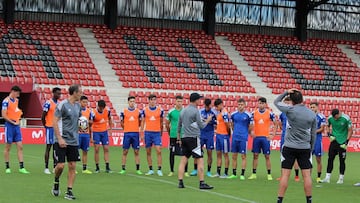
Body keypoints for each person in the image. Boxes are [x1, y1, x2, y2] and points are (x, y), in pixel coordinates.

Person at [274, 89, 317, 203]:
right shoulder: (312, 114)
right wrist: (310, 149)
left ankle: (280, 200)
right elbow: (313, 134)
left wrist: (286, 92)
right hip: (304, 147)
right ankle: (309, 200)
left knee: (285, 174)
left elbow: (276, 102)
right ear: (302, 99)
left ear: (292, 101)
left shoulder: (290, 110)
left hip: (289, 146)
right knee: (307, 176)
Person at [51, 84, 82, 200]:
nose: (81, 94)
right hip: (61, 140)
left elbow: (78, 121)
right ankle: (56, 180)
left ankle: (69, 191)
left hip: (73, 140)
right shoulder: (62, 105)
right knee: (60, 166)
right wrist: (59, 138)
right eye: (80, 92)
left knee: (72, 165)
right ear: (74, 92)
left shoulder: (78, 106)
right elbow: (54, 121)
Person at [177, 93, 213, 189]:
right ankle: (202, 182)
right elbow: (201, 126)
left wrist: (178, 138)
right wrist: (208, 120)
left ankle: (180, 181)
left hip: (184, 137)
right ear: (196, 100)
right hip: (194, 138)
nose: (200, 101)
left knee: (184, 159)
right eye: (199, 99)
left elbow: (179, 125)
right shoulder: (196, 111)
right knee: (200, 159)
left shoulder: (183, 111)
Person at [2, 85, 30, 174]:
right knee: (8, 147)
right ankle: (7, 167)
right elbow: (4, 115)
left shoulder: (16, 101)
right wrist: (12, 122)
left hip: (16, 126)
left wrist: (18, 118)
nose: (18, 95)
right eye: (17, 93)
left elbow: (15, 111)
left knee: (20, 146)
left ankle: (21, 167)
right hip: (10, 126)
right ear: (13, 92)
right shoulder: (6, 101)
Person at [320, 108, 353, 184]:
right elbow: (327, 126)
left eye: (336, 117)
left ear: (338, 114)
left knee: (342, 160)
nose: (335, 118)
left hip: (342, 142)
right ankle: (327, 178)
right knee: (330, 159)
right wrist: (329, 134)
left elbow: (350, 130)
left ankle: (341, 178)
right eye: (334, 117)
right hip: (334, 141)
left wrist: (346, 141)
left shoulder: (346, 118)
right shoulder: (330, 118)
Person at [248, 97, 277, 180]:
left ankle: (269, 174)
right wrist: (251, 132)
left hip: (265, 137)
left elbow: (276, 123)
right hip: (256, 137)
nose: (260, 105)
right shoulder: (254, 113)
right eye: (259, 103)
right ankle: (253, 174)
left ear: (265, 104)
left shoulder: (270, 113)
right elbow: (249, 124)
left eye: (262, 103)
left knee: (267, 156)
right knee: (255, 155)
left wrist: (273, 134)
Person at [228, 98, 253, 180]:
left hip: (243, 138)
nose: (240, 106)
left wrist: (246, 132)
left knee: (243, 156)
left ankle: (242, 174)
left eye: (241, 105)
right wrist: (235, 131)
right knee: (234, 156)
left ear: (245, 105)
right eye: (239, 104)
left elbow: (250, 126)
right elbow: (232, 124)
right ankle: (234, 173)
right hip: (235, 137)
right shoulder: (233, 114)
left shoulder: (248, 115)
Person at [141, 94, 164, 176]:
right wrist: (141, 133)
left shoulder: (160, 110)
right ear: (149, 100)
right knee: (148, 151)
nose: (153, 101)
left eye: (154, 100)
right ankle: (150, 169)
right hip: (148, 133)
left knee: (158, 150)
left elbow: (161, 122)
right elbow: (143, 122)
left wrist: (161, 131)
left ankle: (159, 169)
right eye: (152, 100)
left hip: (156, 133)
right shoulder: (145, 110)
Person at [278, 97, 300, 182]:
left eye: (288, 103)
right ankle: (282, 175)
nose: (286, 105)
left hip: (293, 138)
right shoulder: (282, 114)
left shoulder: (295, 113)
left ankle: (297, 175)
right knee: (282, 157)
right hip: (284, 137)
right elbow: (280, 124)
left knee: (294, 157)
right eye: (285, 103)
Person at [165, 95, 189, 177]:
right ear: (175, 102)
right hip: (173, 135)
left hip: (183, 135)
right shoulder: (171, 111)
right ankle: (171, 170)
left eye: (181, 101)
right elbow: (167, 123)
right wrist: (170, 132)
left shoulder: (185, 111)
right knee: (172, 153)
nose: (179, 103)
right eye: (178, 101)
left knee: (185, 152)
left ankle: (185, 171)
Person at [119, 96, 142, 175]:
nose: (132, 103)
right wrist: (126, 128)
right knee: (125, 151)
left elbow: (140, 122)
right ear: (128, 102)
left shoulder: (138, 112)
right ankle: (123, 168)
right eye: (131, 101)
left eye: (133, 101)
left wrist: (135, 127)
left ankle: (138, 169)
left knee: (136, 151)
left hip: (135, 133)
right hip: (127, 134)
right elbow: (121, 122)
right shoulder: (124, 111)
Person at [42, 87, 61, 174]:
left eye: (60, 94)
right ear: (53, 93)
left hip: (56, 128)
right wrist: (45, 125)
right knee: (48, 147)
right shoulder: (48, 103)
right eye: (57, 93)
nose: (59, 95)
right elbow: (43, 115)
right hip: (49, 127)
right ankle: (46, 167)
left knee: (56, 148)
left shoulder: (60, 104)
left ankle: (54, 166)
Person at [196, 98, 217, 177]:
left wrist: (211, 121)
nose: (209, 107)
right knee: (197, 152)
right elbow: (197, 121)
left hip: (209, 134)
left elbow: (216, 122)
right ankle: (195, 169)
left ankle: (208, 170)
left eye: (209, 106)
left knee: (209, 152)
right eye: (207, 106)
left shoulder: (213, 113)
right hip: (201, 133)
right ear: (205, 105)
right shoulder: (200, 111)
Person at [92, 99, 113, 173]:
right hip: (96, 132)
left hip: (104, 132)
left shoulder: (107, 111)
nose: (101, 109)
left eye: (102, 108)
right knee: (97, 149)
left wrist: (110, 129)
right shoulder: (93, 113)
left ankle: (107, 166)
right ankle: (97, 167)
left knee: (106, 148)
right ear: (98, 106)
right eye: (100, 108)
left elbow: (110, 119)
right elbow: (90, 123)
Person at [213, 98, 230, 178]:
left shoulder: (224, 113)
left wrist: (228, 134)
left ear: (220, 105)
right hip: (219, 135)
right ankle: (218, 172)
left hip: (224, 136)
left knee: (225, 154)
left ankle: (226, 173)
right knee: (218, 154)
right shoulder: (220, 113)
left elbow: (227, 124)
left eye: (217, 107)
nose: (216, 108)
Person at [309, 101, 326, 183]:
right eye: (311, 107)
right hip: (309, 140)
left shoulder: (321, 116)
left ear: (317, 107)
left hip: (317, 140)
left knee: (318, 159)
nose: (312, 109)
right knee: (308, 159)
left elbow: (322, 129)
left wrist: (313, 131)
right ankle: (308, 176)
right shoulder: (308, 116)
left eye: (313, 107)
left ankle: (318, 177)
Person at [79, 96, 94, 174]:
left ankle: (84, 168)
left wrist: (91, 137)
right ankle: (73, 168)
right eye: (83, 102)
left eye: (86, 102)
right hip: (78, 134)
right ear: (80, 102)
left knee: (85, 151)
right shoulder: (77, 110)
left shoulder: (89, 111)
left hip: (86, 134)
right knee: (75, 152)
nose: (85, 103)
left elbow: (91, 124)